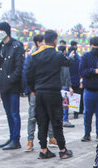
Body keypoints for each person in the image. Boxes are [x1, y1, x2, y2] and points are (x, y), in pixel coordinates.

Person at [26, 30, 74, 160]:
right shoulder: (57, 55)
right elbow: (69, 62)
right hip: (53, 92)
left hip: (40, 92)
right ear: (54, 40)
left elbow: (28, 74)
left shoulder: (35, 55)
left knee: (42, 121)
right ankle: (63, 150)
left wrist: (33, 89)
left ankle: (43, 149)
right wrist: (71, 56)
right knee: (56, 121)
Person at [0, 22, 25, 150]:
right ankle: (12, 137)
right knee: (8, 114)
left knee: (14, 113)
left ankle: (16, 140)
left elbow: (19, 67)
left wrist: (11, 80)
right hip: (2, 85)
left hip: (13, 86)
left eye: (1, 30)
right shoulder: (0, 47)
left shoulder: (16, 46)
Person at [22, 34, 54, 151]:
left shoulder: (49, 54)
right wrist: (31, 89)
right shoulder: (32, 56)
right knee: (32, 117)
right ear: (38, 43)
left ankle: (51, 137)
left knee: (50, 115)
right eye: (43, 42)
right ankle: (30, 140)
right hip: (35, 91)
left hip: (47, 89)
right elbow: (26, 73)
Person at [79, 36, 98, 142]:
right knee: (87, 113)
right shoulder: (86, 56)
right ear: (90, 46)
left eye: (97, 46)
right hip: (89, 90)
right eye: (93, 46)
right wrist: (93, 71)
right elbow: (82, 71)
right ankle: (87, 133)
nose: (95, 48)